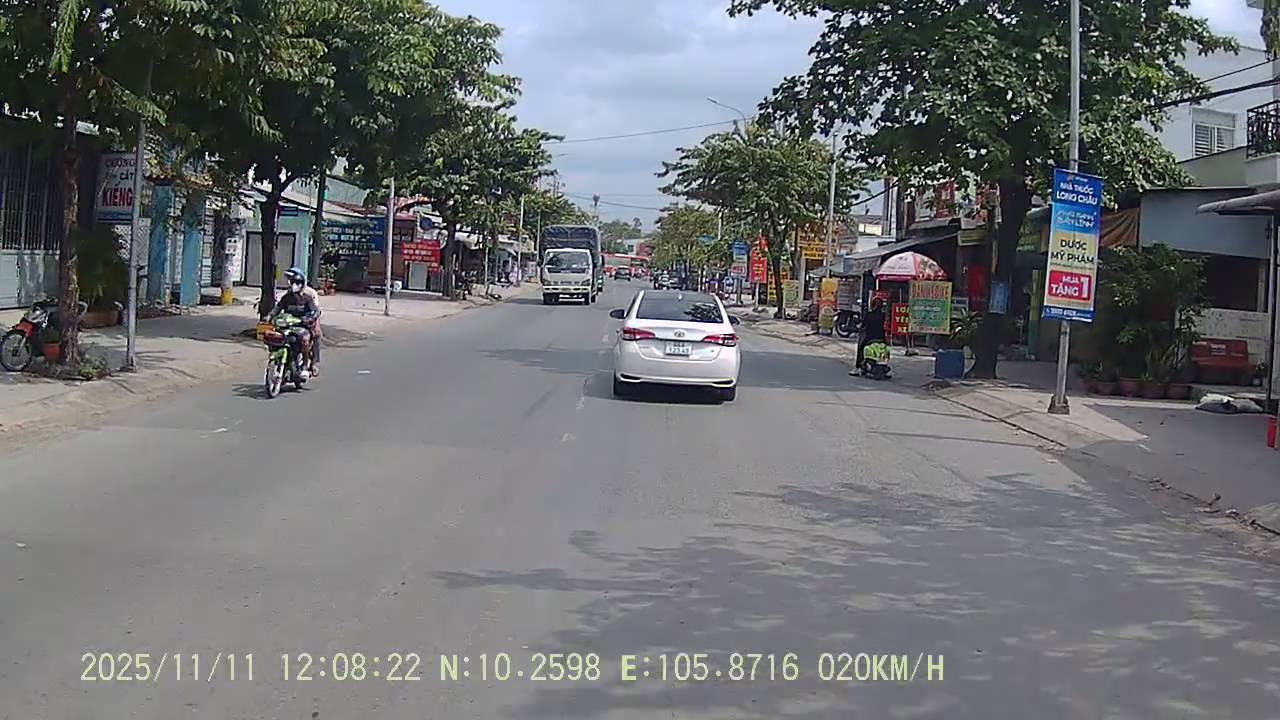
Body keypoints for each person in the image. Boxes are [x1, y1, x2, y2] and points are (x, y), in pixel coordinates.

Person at [271, 267, 321, 375]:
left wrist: (310, 319)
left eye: (296, 282)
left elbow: (315, 311)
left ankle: (308, 364)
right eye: (291, 281)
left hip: (303, 325)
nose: (293, 284)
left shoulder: (309, 296)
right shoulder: (287, 297)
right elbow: (278, 307)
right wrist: (270, 316)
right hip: (288, 325)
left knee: (309, 338)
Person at [855, 296, 887, 372]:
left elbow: (862, 325)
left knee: (860, 348)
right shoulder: (883, 316)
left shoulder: (869, 315)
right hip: (882, 339)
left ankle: (858, 367)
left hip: (870, 338)